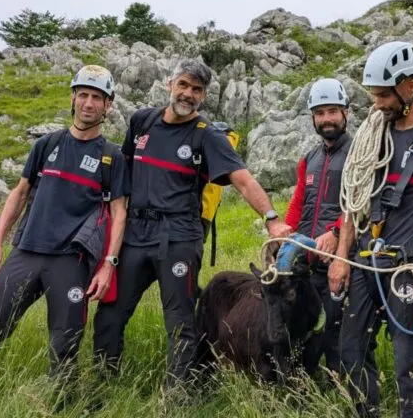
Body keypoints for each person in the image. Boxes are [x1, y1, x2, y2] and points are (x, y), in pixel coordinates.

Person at [92, 58, 292, 390]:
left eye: (196, 90)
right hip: (135, 236)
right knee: (109, 316)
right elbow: (122, 171)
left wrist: (272, 220)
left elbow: (243, 181)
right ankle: (103, 385)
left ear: (204, 96)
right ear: (170, 84)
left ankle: (178, 397)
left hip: (179, 238)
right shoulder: (143, 121)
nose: (187, 94)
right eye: (183, 85)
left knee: (180, 324)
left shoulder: (208, 136)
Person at [0, 65, 129, 403]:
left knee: (65, 345)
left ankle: (61, 406)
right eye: (84, 95)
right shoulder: (47, 145)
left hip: (71, 262)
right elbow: (19, 194)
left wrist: (108, 264)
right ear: (73, 97)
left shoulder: (111, 157)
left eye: (97, 97)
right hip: (26, 253)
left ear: (108, 105)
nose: (89, 103)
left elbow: (120, 212)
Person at [328, 41, 413, 418]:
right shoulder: (372, 137)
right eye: (374, 96)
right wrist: (341, 259)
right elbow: (353, 205)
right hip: (365, 262)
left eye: (384, 95)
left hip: (411, 265)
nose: (377, 105)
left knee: (409, 360)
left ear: (410, 86)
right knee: (350, 351)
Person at [284, 78, 352, 378]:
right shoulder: (309, 159)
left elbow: (365, 202)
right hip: (308, 264)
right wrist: (283, 234)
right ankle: (307, 385)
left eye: (332, 112)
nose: (327, 119)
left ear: (345, 113)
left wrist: (336, 232)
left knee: (337, 333)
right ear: (312, 117)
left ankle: (345, 390)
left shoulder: (358, 152)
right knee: (304, 329)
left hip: (342, 260)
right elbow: (299, 202)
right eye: (320, 113)